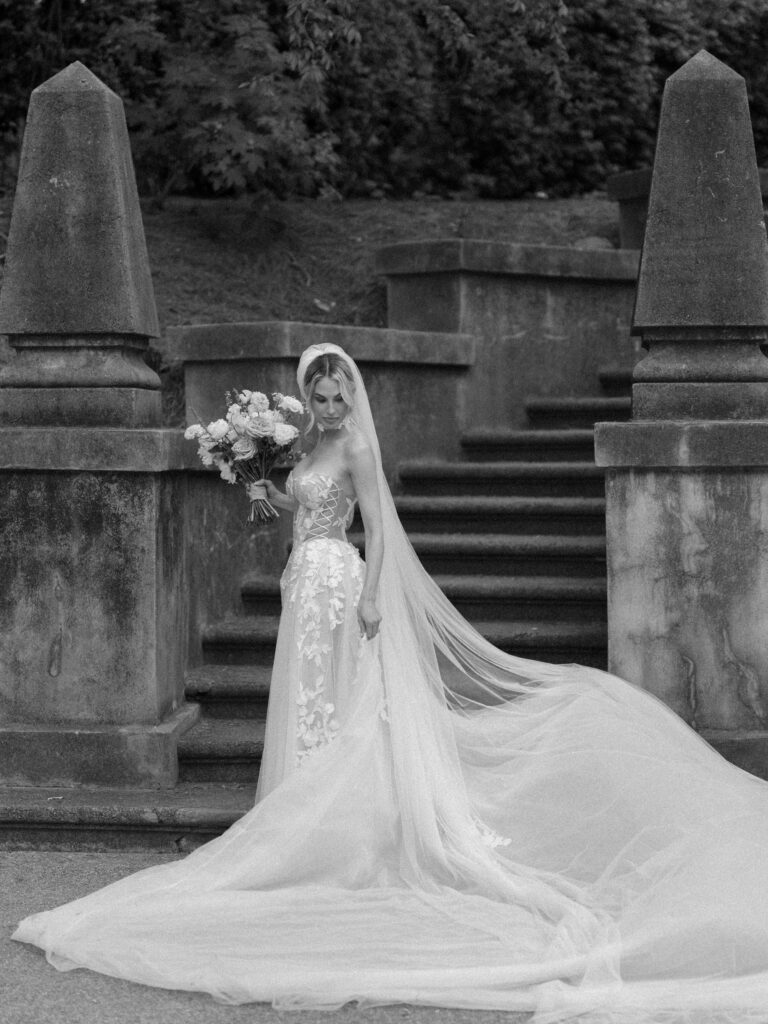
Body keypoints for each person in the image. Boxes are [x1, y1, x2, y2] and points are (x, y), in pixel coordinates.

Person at [12, 343, 768, 1022]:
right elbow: (308, 510)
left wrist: (372, 597)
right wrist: (264, 489)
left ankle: (349, 827)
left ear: (352, 395)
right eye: (319, 396)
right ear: (306, 396)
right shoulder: (307, 444)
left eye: (338, 395)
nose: (329, 406)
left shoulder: (359, 446)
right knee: (309, 698)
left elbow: (375, 526)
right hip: (303, 583)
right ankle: (304, 814)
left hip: (340, 587)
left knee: (344, 704)